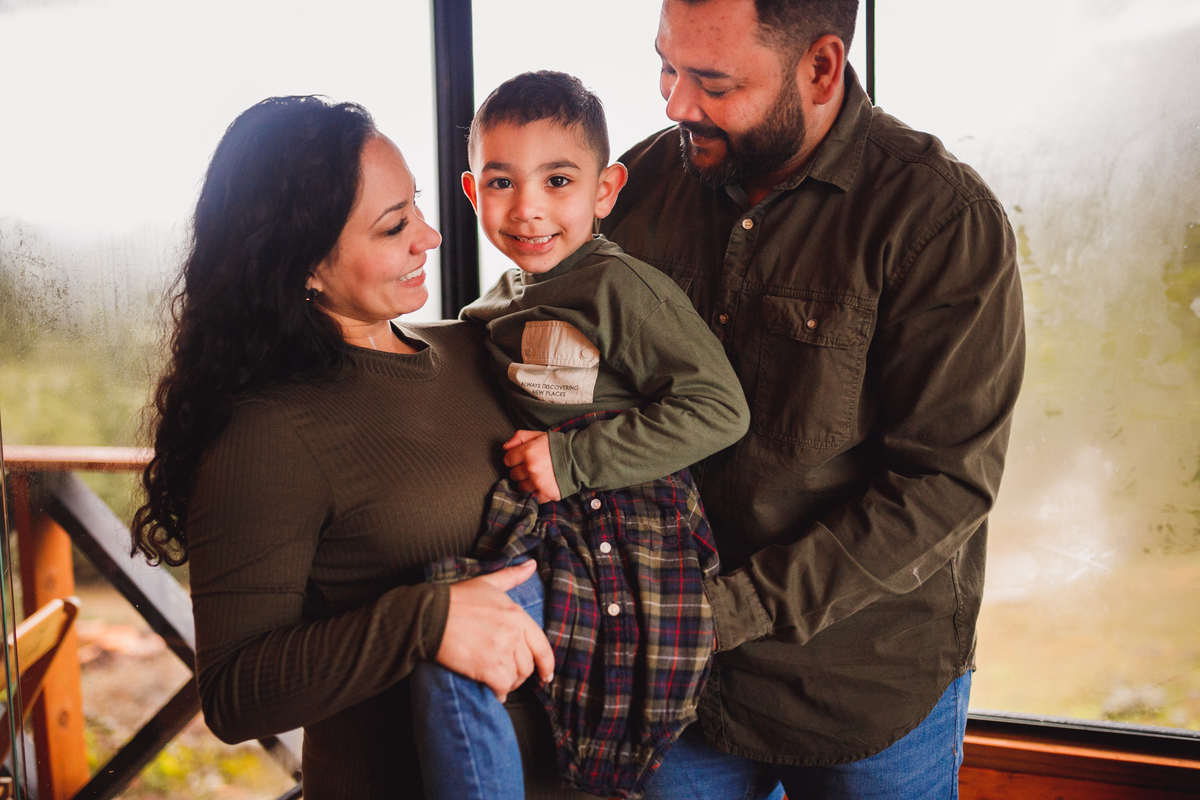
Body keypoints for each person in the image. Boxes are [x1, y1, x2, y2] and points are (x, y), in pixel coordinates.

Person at [599, 1, 1026, 798]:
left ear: (822, 68)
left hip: (863, 693)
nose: (674, 104)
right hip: (675, 690)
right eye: (665, 66)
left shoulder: (941, 221)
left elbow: (943, 487)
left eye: (713, 83)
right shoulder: (640, 183)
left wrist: (723, 611)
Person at [130, 95, 592, 800]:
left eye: (417, 206)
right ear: (304, 264)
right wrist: (422, 621)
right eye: (393, 226)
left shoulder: (477, 347)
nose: (431, 238)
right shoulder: (267, 430)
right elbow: (232, 694)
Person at [410, 71, 751, 800]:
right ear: (472, 193)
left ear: (604, 191)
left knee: (477, 648)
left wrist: (572, 457)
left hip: (631, 531)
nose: (528, 209)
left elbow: (721, 408)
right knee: (450, 630)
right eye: (500, 183)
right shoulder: (499, 303)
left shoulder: (622, 290)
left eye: (558, 180)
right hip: (551, 528)